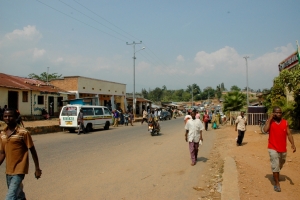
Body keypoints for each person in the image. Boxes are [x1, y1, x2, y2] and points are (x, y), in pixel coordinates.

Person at [0, 108, 42, 199]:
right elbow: (2, 153)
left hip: (19, 170)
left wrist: (37, 168)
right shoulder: (2, 134)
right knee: (19, 195)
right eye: (5, 116)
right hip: (9, 170)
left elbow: (33, 150)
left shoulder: (23, 132)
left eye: (10, 116)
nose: (7, 118)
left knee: (10, 197)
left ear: (15, 117)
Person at [263, 107, 296, 192]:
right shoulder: (270, 122)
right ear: (273, 113)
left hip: (282, 148)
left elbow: (289, 134)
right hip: (272, 147)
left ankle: (276, 173)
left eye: (280, 112)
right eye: (276, 113)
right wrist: (270, 119)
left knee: (281, 163)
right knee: (275, 165)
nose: (278, 114)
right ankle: (277, 184)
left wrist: (293, 144)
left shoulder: (285, 122)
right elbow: (265, 130)